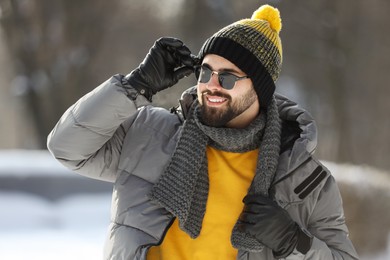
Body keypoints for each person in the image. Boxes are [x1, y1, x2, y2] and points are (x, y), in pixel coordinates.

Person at [47, 4, 359, 260]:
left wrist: (294, 243)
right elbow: (67, 147)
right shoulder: (150, 133)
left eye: (227, 78)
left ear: (260, 89)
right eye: (206, 72)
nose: (211, 85)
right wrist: (135, 85)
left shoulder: (304, 179)